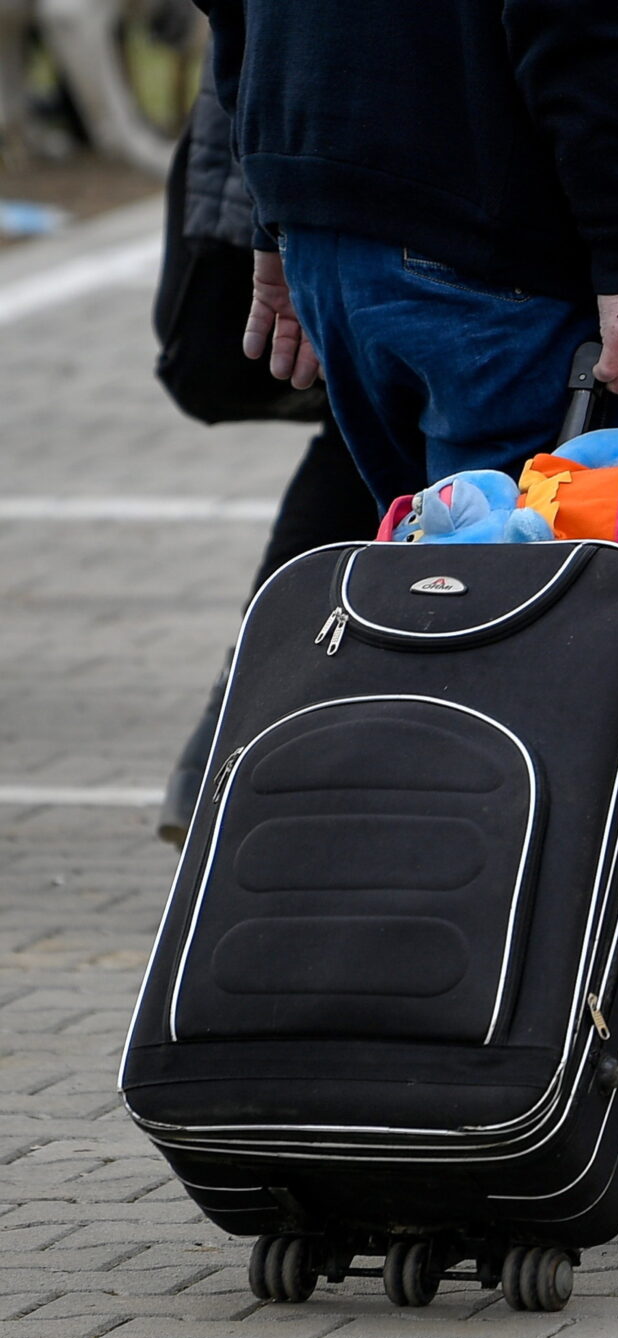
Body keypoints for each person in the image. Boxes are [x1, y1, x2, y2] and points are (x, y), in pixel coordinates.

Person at [195, 0, 618, 509]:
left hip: (325, 219)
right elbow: (583, 18)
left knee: (426, 570)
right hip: (493, 241)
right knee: (524, 576)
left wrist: (274, 204)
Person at [152, 60, 380, 848]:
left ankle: (234, 737)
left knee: (362, 434)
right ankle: (259, 741)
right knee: (383, 428)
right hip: (351, 149)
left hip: (304, 147)